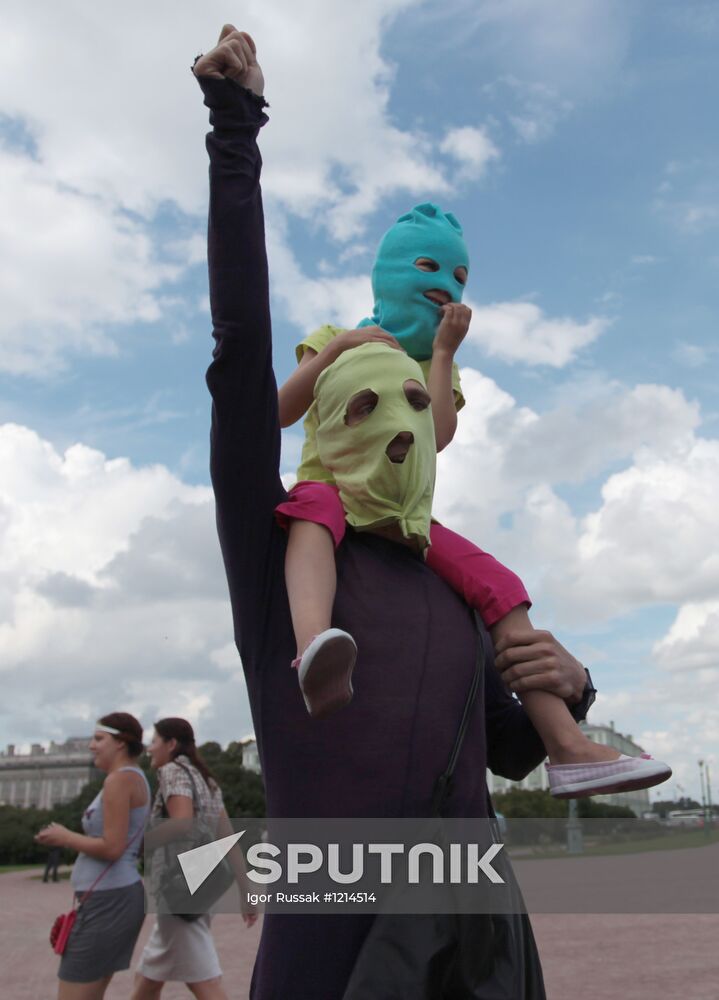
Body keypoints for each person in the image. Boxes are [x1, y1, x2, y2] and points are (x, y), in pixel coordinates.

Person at [192, 25, 609, 997]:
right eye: (369, 402)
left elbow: (507, 751)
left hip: (477, 940)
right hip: (328, 951)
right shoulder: (287, 547)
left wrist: (572, 681)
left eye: (418, 406)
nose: (400, 423)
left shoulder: (451, 586)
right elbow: (237, 350)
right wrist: (235, 133)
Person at [272, 214, 672, 798]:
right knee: (310, 513)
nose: (446, 285)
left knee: (501, 585)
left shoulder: (443, 362)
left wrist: (439, 353)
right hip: (334, 488)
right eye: (429, 267)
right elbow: (279, 411)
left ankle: (567, 746)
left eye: (459, 275)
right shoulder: (336, 333)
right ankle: (315, 647)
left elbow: (435, 433)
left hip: (405, 519)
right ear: (390, 274)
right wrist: (339, 346)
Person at [131, 717, 257, 1000]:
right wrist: (246, 890)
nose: (150, 749)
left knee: (205, 982)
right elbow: (227, 837)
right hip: (199, 886)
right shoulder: (206, 779)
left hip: (177, 890)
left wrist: (135, 845)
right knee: (148, 978)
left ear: (171, 744)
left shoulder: (172, 770)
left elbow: (181, 822)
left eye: (154, 741)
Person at [35, 713, 150, 1000]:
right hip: (111, 898)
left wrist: (64, 837)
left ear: (121, 743)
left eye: (99, 739)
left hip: (108, 900)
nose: (91, 746)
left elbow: (113, 847)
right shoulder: (132, 778)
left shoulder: (119, 781)